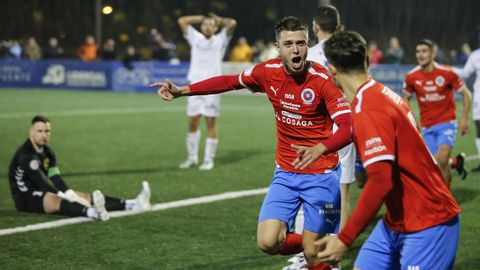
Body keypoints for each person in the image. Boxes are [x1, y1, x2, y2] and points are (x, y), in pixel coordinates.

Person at [153, 16, 352, 270]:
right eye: (288, 44)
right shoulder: (267, 72)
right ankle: (318, 246)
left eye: (301, 43)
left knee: (315, 259)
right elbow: (228, 82)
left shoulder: (323, 79)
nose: (296, 49)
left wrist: (321, 148)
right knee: (268, 241)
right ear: (278, 48)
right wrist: (183, 91)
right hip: (286, 172)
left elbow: (347, 127)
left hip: (322, 174)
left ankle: (320, 253)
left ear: (307, 44)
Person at [315, 30, 460, 269]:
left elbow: (380, 182)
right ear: (368, 61)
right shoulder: (383, 94)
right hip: (396, 220)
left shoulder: (368, 110)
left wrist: (344, 238)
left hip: (429, 222)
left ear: (332, 70)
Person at [283, 5, 355, 270]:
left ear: (315, 27)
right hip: (346, 126)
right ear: (338, 25)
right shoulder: (347, 51)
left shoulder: (307, 54)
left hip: (317, 131)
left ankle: (310, 254)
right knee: (342, 192)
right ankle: (334, 252)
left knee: (308, 189)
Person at [8, 115, 151, 221]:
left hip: (38, 190)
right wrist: (62, 195)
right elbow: (41, 183)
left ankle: (133, 204)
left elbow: (55, 177)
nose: (44, 135)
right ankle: (94, 213)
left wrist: (69, 192)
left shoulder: (48, 153)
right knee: (55, 199)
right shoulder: (26, 156)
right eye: (39, 131)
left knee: (82, 196)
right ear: (30, 132)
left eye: (47, 131)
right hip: (24, 197)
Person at [404, 39, 471, 183]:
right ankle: (456, 162)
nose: (420, 55)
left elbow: (466, 94)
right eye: (418, 51)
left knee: (441, 159)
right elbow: (405, 100)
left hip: (447, 123)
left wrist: (464, 118)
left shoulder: (447, 73)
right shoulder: (411, 76)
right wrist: (409, 122)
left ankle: (447, 203)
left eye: (424, 51)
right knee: (434, 164)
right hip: (427, 126)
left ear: (433, 54)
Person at [177, 13, 237, 170]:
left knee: (210, 122)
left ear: (216, 27)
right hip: (193, 86)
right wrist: (202, 18)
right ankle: (192, 158)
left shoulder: (221, 40)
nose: (207, 27)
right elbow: (182, 20)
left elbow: (232, 23)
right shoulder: (195, 37)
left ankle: (208, 160)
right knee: (192, 121)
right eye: (205, 24)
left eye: (211, 24)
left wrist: (220, 20)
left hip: (212, 86)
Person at [455, 31, 480, 172]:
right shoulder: (475, 55)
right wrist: (449, 69)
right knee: (479, 127)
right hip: (479, 96)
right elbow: (465, 72)